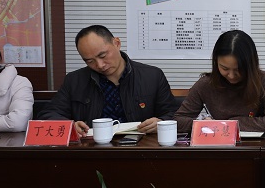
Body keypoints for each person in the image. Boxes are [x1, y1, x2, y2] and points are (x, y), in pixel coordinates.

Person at [39, 25, 177, 136]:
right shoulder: (74, 80)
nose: (100, 65)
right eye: (90, 61)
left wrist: (161, 122)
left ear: (117, 43)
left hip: (140, 148)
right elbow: (49, 114)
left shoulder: (152, 76)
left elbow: (173, 114)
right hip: (91, 149)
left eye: (103, 55)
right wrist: (70, 126)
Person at [174, 30, 265, 134]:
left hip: (258, 145)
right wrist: (203, 124)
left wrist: (227, 124)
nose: (231, 76)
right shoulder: (206, 84)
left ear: (250, 65)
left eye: (238, 70)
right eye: (224, 68)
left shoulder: (264, 80)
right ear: (216, 62)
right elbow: (178, 120)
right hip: (220, 144)